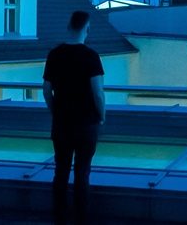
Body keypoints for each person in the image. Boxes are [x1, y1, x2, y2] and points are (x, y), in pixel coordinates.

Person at [43, 11, 105, 225]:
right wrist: (101, 115)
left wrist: (55, 111)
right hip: (86, 123)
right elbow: (98, 92)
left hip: (61, 123)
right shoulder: (91, 56)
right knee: (82, 172)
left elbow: (46, 89)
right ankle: (81, 218)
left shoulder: (55, 54)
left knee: (61, 171)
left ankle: (59, 217)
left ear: (69, 26)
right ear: (87, 29)